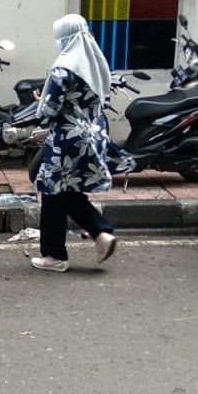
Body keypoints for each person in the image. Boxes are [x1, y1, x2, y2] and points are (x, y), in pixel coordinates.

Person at [30, 14, 119, 272]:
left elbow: (50, 109)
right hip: (94, 132)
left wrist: (40, 101)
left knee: (53, 191)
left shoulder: (64, 66)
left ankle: (54, 255)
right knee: (66, 190)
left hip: (67, 138)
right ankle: (100, 232)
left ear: (66, 37)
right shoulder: (95, 61)